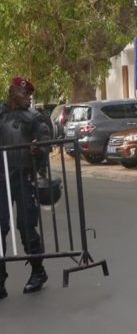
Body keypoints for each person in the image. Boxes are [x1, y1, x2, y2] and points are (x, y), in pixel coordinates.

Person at [0, 77, 51, 299]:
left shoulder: (34, 118)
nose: (29, 97)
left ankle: (39, 272)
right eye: (25, 93)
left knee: (26, 227)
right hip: (1, 180)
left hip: (24, 178)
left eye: (30, 94)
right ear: (12, 93)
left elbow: (46, 142)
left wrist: (38, 149)